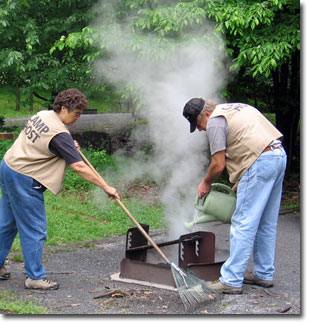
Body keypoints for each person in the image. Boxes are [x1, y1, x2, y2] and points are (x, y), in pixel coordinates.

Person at [0, 88, 120, 290]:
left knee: (6, 223)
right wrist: (106, 187)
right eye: (76, 114)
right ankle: (35, 277)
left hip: (8, 166)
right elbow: (79, 166)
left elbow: (46, 141)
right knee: (35, 229)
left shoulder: (43, 115)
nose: (78, 119)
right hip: (24, 178)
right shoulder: (60, 135)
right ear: (63, 108)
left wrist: (68, 146)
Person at [183, 98, 287, 294]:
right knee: (266, 222)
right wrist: (247, 173)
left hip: (260, 162)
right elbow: (263, 137)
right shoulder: (237, 108)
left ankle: (231, 280)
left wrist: (205, 183)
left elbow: (218, 164)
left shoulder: (214, 120)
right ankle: (263, 274)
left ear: (205, 114)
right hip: (277, 156)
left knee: (242, 223)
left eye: (197, 124)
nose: (199, 129)